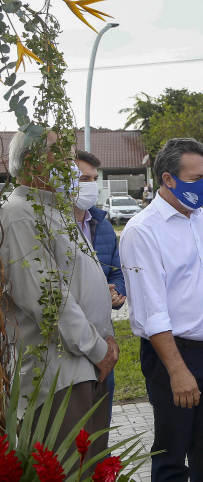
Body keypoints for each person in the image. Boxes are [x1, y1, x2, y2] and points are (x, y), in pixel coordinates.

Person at [119, 138, 203, 482]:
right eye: (195, 177)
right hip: (174, 356)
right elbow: (151, 311)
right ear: (168, 179)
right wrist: (177, 371)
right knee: (171, 457)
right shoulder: (143, 230)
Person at [0, 131, 118, 461]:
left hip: (86, 366)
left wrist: (106, 338)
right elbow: (49, 300)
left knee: (91, 467)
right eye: (59, 156)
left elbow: (77, 285)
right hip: (59, 374)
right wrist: (98, 348)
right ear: (28, 163)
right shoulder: (21, 213)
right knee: (68, 468)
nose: (67, 165)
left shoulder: (55, 210)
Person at [74, 150, 127, 421]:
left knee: (99, 429)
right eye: (84, 178)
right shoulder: (53, 227)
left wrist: (116, 292)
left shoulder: (102, 226)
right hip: (70, 343)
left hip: (103, 337)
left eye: (94, 178)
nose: (91, 185)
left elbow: (118, 273)